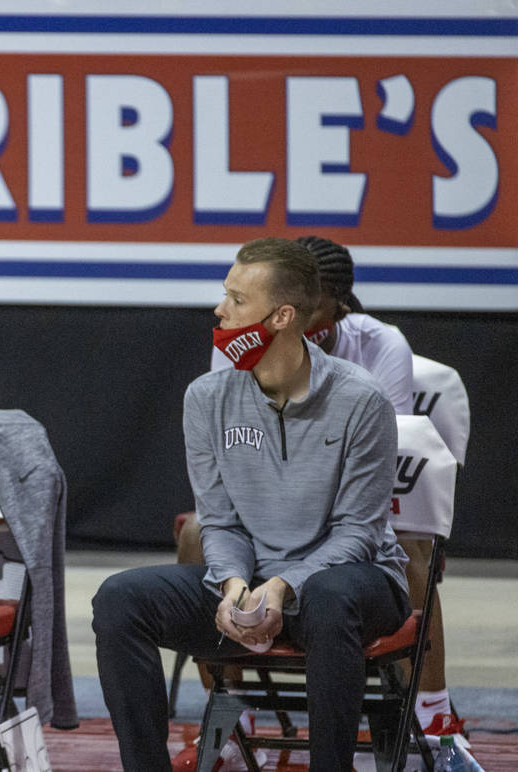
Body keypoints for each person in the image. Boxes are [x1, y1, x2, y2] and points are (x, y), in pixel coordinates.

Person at [93, 237, 411, 772]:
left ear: (281, 316)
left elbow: (358, 532)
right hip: (255, 581)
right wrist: (234, 583)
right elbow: (218, 520)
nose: (220, 310)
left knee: (331, 598)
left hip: (354, 582)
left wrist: (284, 586)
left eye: (237, 300)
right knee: (121, 599)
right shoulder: (206, 397)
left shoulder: (363, 401)